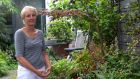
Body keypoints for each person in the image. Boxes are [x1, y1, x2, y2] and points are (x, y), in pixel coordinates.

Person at [14, 6, 51, 79]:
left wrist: (49, 66)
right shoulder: (19, 33)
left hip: (41, 69)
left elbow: (44, 52)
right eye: (28, 16)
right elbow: (19, 57)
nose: (31, 18)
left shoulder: (40, 33)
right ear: (23, 19)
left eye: (33, 15)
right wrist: (36, 72)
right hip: (26, 72)